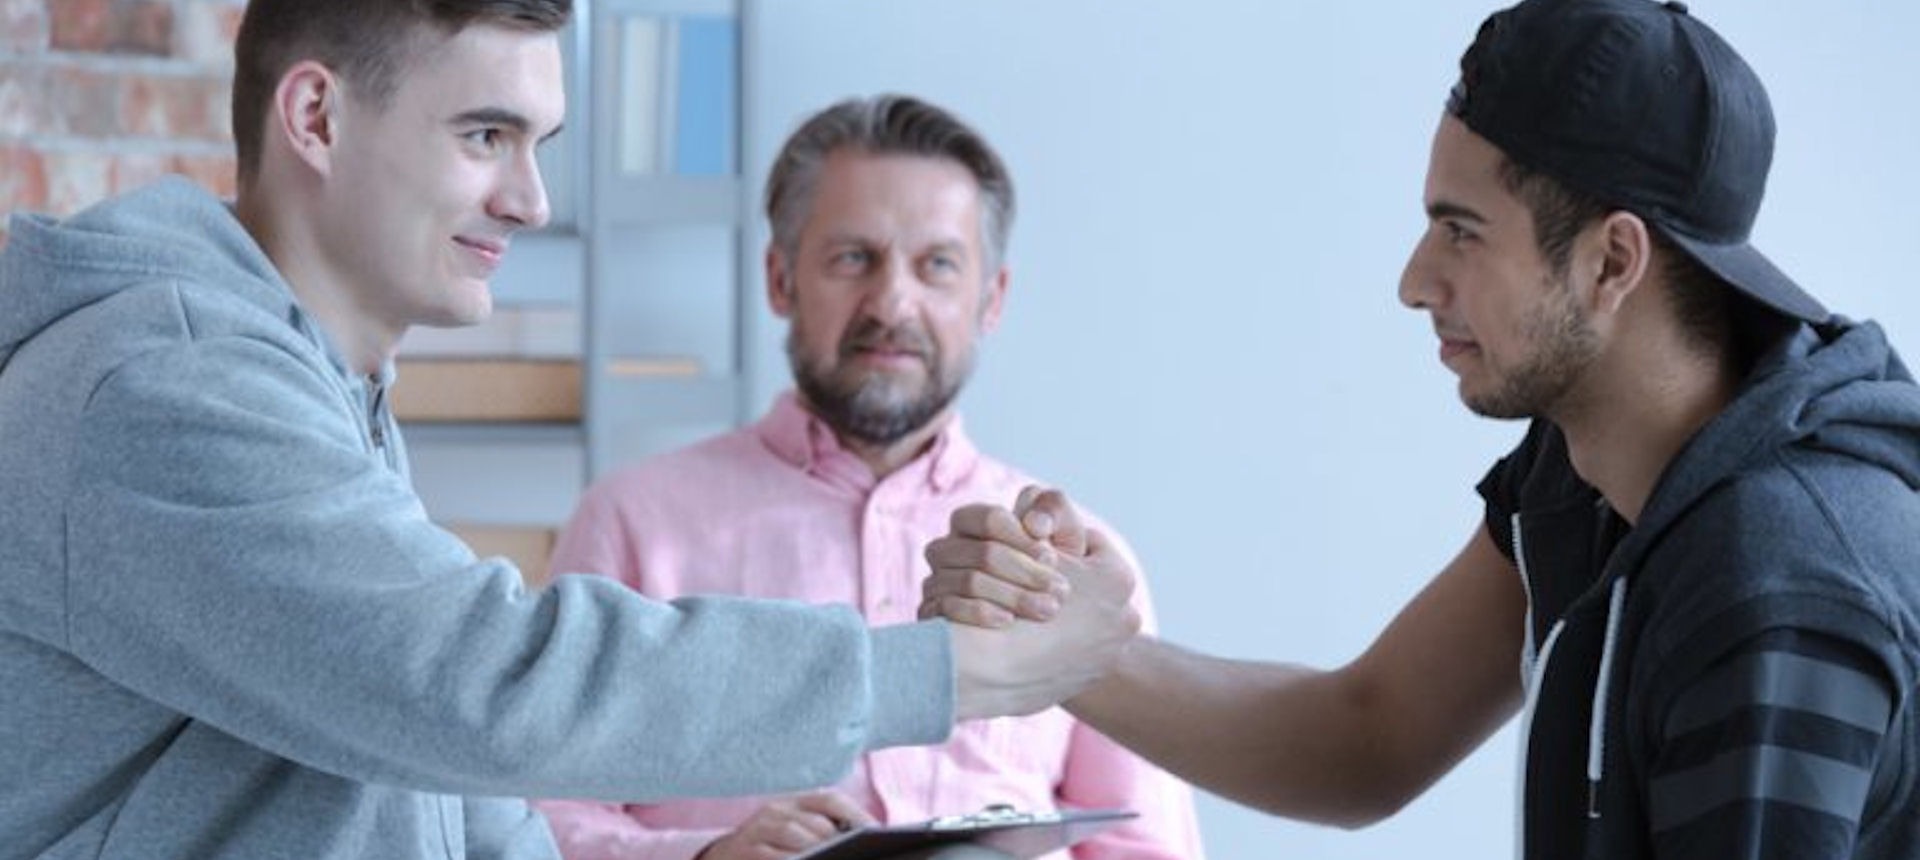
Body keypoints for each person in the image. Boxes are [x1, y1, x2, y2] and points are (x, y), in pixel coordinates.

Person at [0, 2, 1142, 859]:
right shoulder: (171, 389)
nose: (531, 200)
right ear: (316, 117)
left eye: (537, 143)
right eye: (487, 135)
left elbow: (440, 780)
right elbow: (478, 687)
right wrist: (947, 669)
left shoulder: (306, 380)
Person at [920, 1, 1920, 858]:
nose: (1413, 281)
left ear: (1613, 263)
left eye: (1461, 230)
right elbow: (1371, 733)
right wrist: (1076, 647)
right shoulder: (1593, 464)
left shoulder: (1779, 587)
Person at [530, 95, 1204, 860]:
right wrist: (707, 856)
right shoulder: (632, 522)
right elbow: (533, 819)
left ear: (993, 299)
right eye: (854, 258)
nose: (892, 302)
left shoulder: (1079, 562)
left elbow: (1150, 847)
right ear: (781, 279)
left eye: (937, 265)